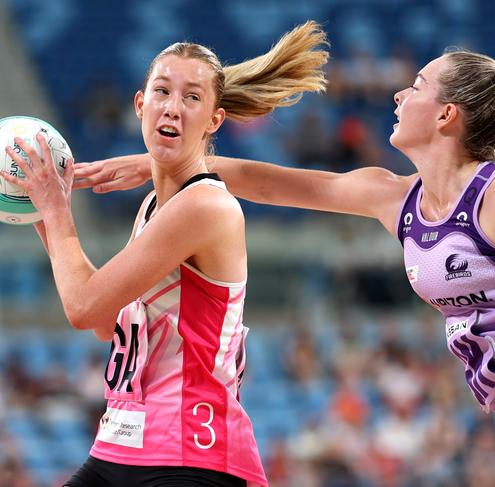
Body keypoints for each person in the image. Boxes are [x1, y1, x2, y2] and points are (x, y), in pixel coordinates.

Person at [74, 49, 495, 486]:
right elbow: (270, 183)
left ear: (446, 114)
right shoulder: (394, 197)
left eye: (416, 86)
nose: (398, 95)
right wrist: (152, 160)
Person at [3, 21, 328, 487]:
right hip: (124, 441)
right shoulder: (154, 207)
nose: (173, 108)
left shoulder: (205, 205)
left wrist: (55, 208)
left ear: (215, 120)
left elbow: (82, 307)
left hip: (193, 452)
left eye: (192, 97)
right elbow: (103, 322)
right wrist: (36, 210)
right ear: (140, 105)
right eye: (162, 91)